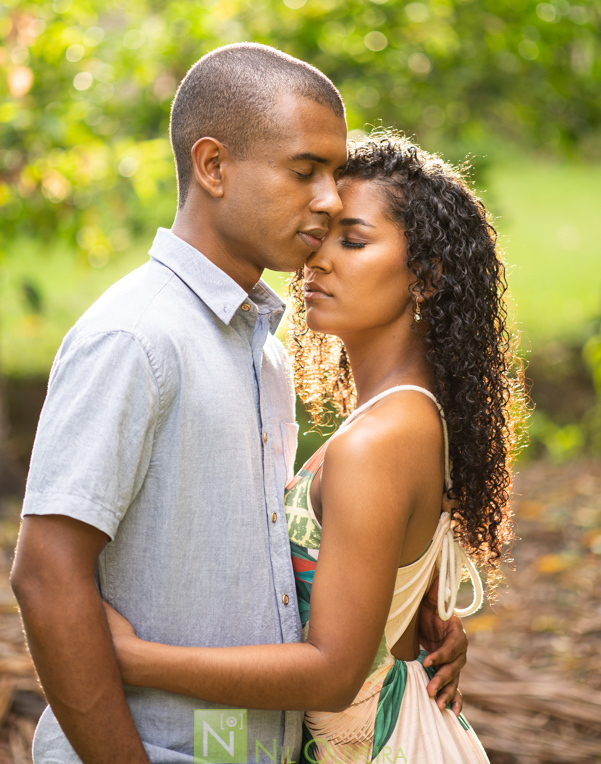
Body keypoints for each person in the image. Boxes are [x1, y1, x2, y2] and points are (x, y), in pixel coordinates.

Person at [10, 47, 468, 764]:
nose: (328, 198)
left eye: (333, 174)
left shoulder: (264, 355)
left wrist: (399, 625)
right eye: (304, 171)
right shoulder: (137, 338)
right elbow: (45, 576)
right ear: (214, 167)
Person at [103, 133, 527, 763]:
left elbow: (333, 676)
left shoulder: (378, 441)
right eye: (320, 235)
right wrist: (414, 622)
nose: (317, 261)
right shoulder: (407, 417)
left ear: (427, 276)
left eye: (353, 242)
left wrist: (131, 658)